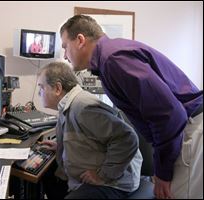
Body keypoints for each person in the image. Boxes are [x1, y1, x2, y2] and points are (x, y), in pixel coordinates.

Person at [60, 14, 203, 199]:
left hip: (188, 130)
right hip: (182, 130)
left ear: (80, 40)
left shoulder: (114, 60)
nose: (64, 55)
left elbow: (169, 116)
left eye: (65, 46)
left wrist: (162, 173)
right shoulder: (111, 57)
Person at [37, 61, 143, 199]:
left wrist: (102, 175)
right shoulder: (68, 106)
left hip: (113, 183)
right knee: (49, 177)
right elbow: (86, 138)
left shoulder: (82, 107)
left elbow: (127, 138)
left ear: (57, 88)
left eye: (41, 88)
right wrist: (61, 146)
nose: (39, 93)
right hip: (88, 178)